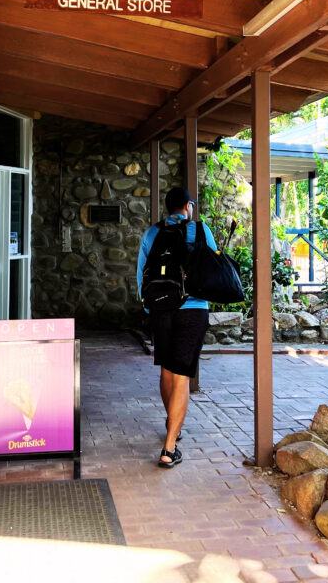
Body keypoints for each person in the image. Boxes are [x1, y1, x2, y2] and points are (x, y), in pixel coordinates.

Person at [136, 186, 218, 467]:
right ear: (187, 206)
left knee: (168, 370)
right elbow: (211, 268)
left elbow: (141, 275)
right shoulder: (200, 230)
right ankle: (169, 448)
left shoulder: (152, 233)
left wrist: (150, 308)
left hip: (161, 309)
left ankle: (174, 424)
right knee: (183, 375)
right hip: (193, 309)